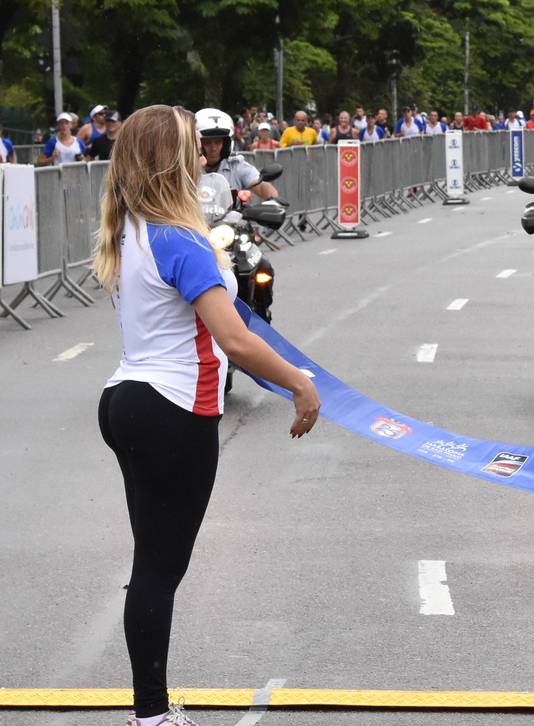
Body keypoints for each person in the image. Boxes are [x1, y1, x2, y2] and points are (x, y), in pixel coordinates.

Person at [92, 104, 321, 726]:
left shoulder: (129, 228)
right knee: (160, 570)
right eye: (193, 147)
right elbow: (235, 340)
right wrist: (302, 385)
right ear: (171, 158)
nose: (202, 157)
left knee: (151, 565)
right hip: (173, 405)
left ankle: (152, 710)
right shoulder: (182, 239)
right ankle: (152, 715)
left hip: (126, 396)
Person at [196, 108, 278, 201]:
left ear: (226, 144)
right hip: (195, 215)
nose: (213, 147)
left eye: (218, 142)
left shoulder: (236, 166)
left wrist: (274, 202)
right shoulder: (187, 169)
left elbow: (261, 186)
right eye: (207, 142)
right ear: (198, 143)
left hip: (231, 215)